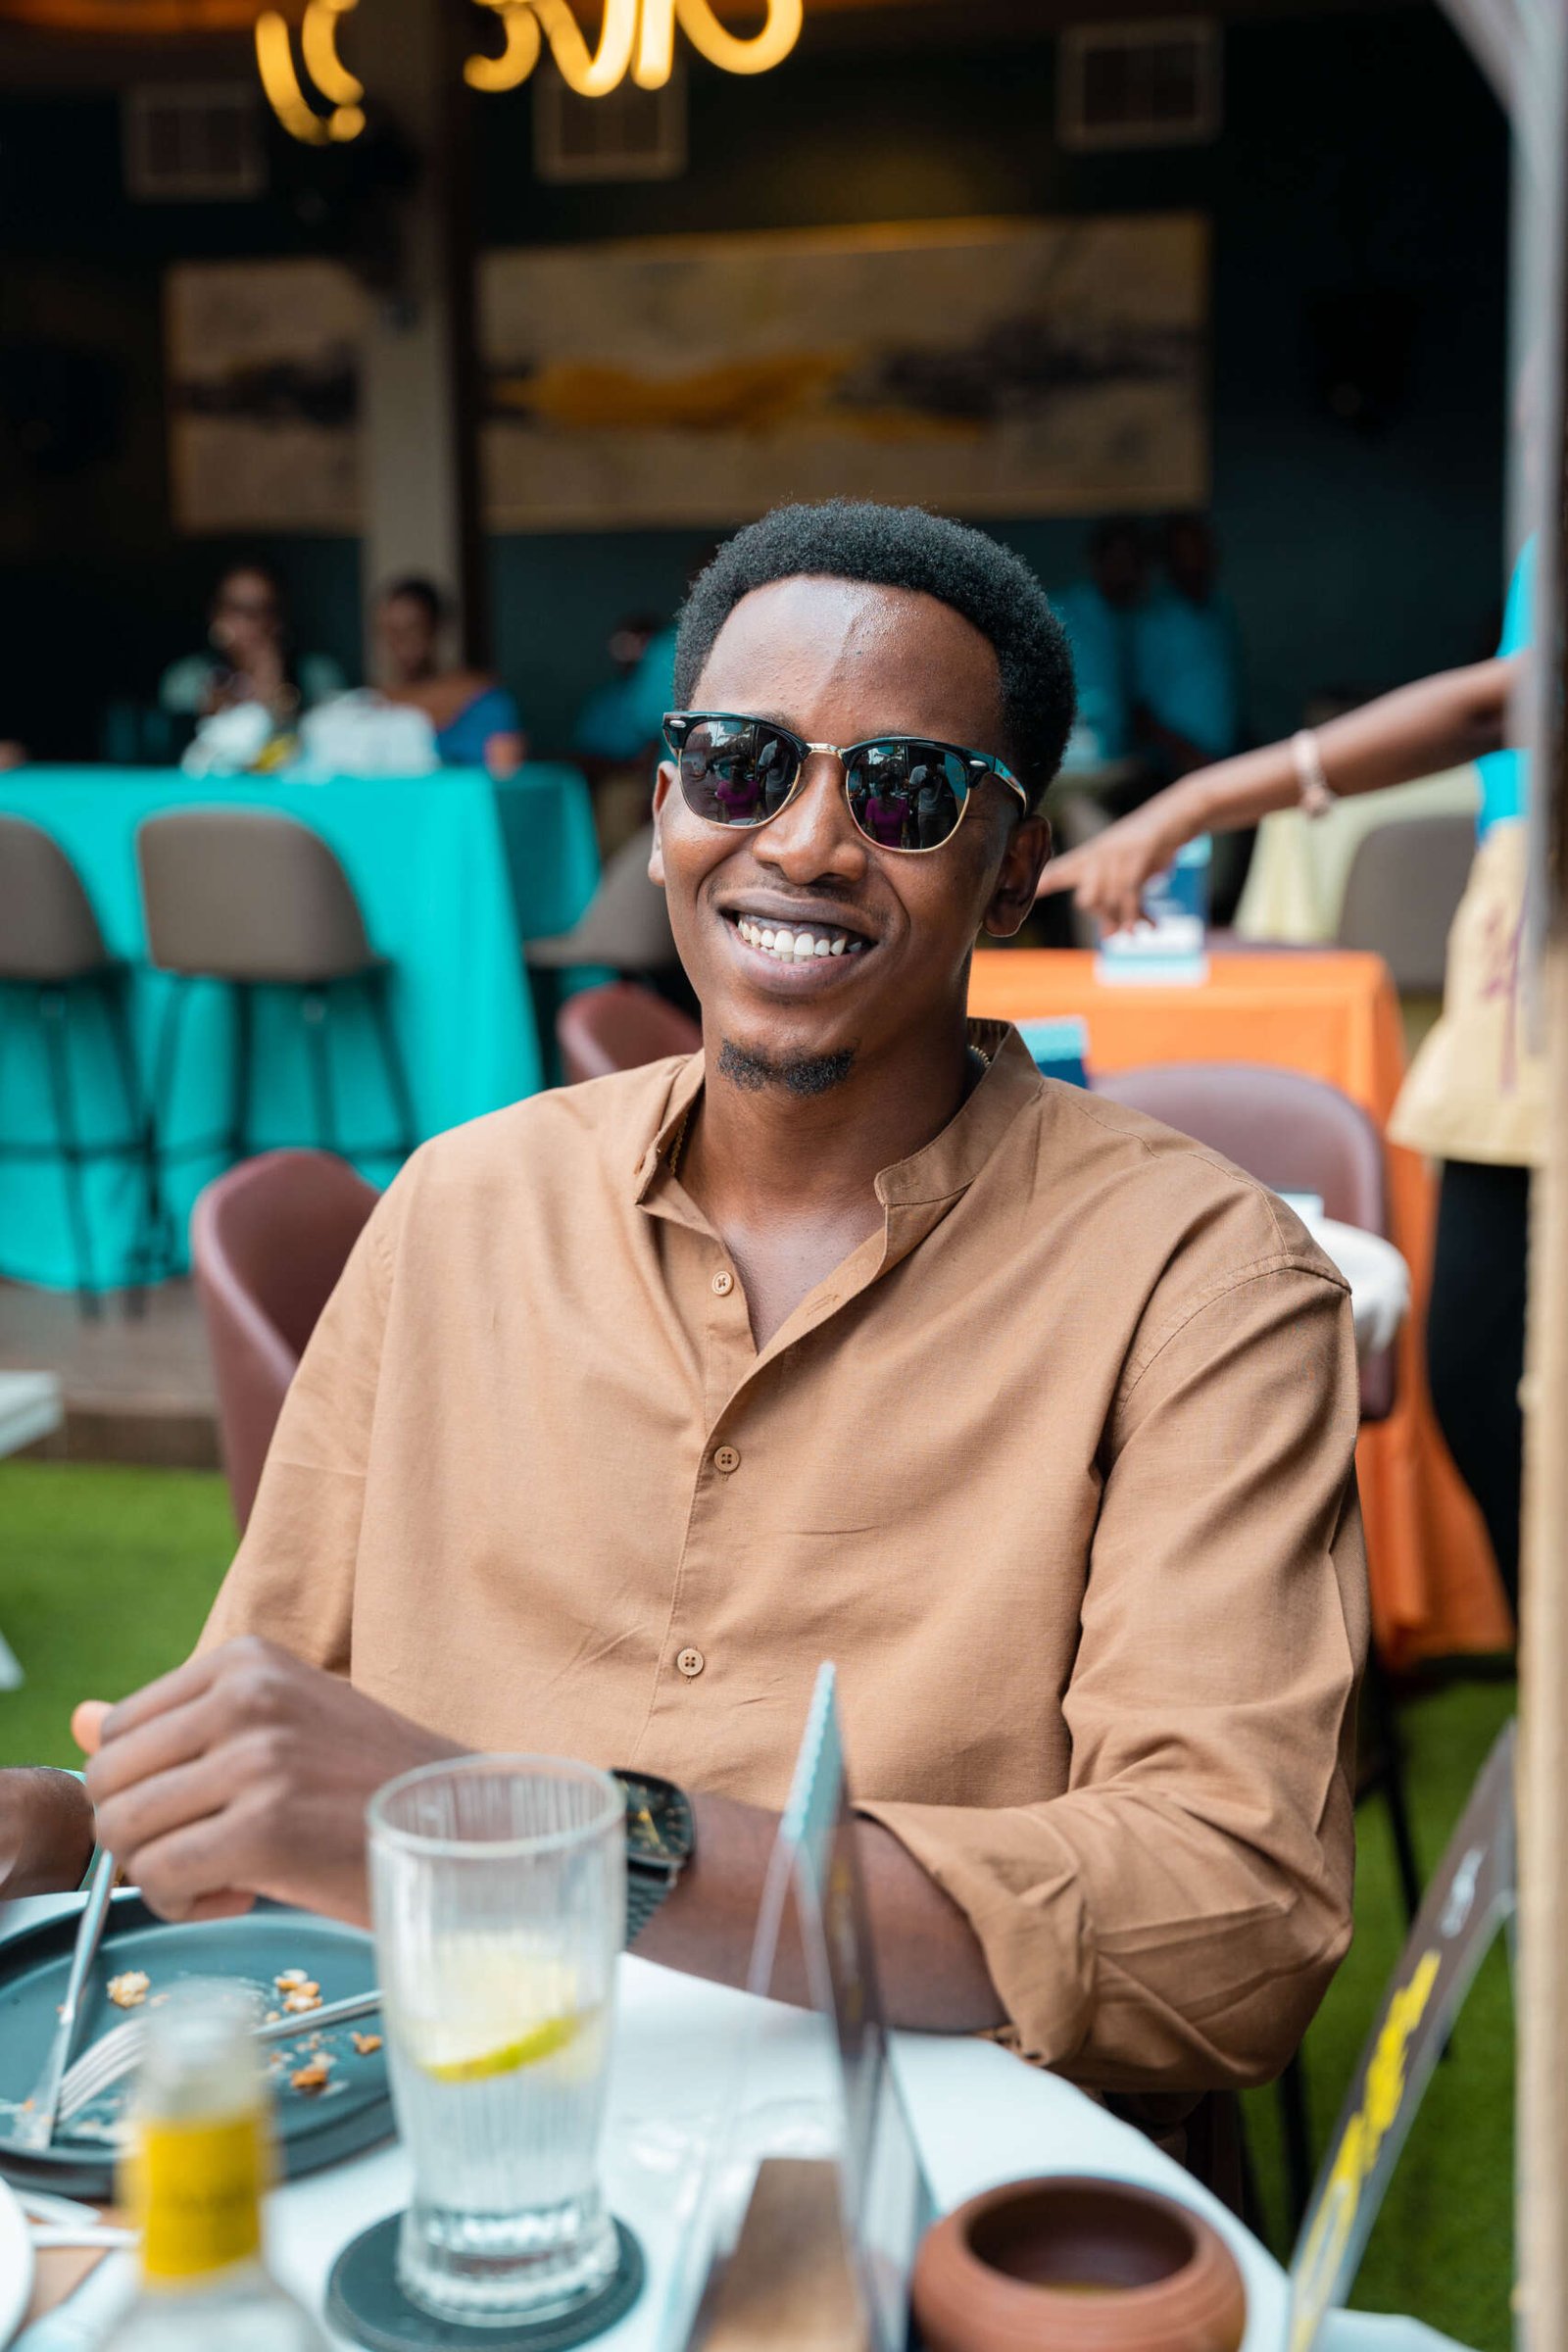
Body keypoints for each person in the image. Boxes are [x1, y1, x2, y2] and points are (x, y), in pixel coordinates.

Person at [2, 502, 1366, 2174]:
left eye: (906, 791)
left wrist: (563, 1840)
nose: (806, 841)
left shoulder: (1202, 1285)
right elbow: (270, 1719)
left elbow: (1230, 1923)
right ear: (663, 813)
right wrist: (77, 1827)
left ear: (1013, 867)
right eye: (739, 765)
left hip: (904, 2186)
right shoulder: (459, 1210)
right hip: (439, 2146)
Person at [1039, 636, 1532, 1609]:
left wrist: (1192, 803)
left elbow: (1495, 704)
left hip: (1533, 961)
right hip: (1511, 971)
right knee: (1478, 1386)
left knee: (1481, 1385)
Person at [160, 564, 345, 735]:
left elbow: (334, 742)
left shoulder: (315, 674)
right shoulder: (187, 679)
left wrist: (280, 699)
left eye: (266, 609)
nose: (255, 622)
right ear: (216, 615)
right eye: (239, 610)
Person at [373, 577, 526, 778]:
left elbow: (506, 780)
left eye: (412, 628)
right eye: (391, 631)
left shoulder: (485, 701)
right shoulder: (373, 707)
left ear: (435, 627)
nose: (401, 641)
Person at [1131, 515, 1244, 776]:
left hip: (1225, 757)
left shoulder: (1221, 611)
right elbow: (1140, 710)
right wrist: (1187, 755)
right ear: (1169, 561)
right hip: (1177, 766)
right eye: (1184, 554)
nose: (1195, 561)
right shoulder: (1154, 620)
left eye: (1200, 551)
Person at [1051, 519, 1148, 767]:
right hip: (1070, 759)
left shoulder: (1136, 618)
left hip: (1117, 758)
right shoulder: (1060, 612)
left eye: (1134, 563)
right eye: (1119, 561)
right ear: (1097, 560)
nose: (1127, 573)